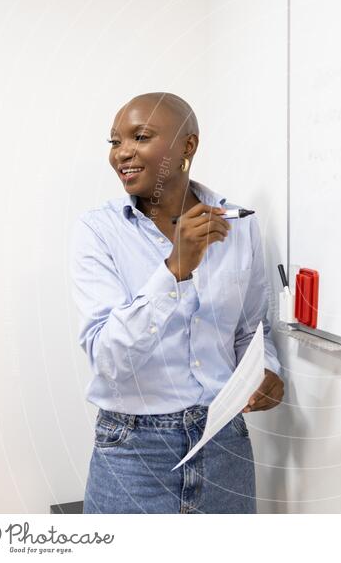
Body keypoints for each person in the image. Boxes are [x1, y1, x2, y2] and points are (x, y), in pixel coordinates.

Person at [69, 92, 285, 513]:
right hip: (133, 453)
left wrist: (268, 370)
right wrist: (175, 270)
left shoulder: (238, 224)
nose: (122, 154)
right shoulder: (98, 231)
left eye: (141, 136)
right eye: (115, 142)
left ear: (188, 145)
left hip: (226, 444)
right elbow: (106, 357)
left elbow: (251, 329)